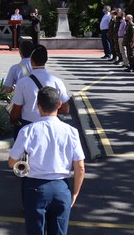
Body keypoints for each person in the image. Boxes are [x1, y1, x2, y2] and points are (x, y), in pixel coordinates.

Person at [8, 87, 85, 235]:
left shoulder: (28, 130)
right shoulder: (71, 131)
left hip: (35, 188)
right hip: (62, 188)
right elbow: (80, 167)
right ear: (59, 104)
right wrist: (74, 194)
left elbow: (12, 162)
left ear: (38, 105)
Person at [10, 45, 71, 130]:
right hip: (51, 125)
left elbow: (16, 110)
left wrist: (13, 121)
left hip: (28, 125)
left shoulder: (22, 82)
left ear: (31, 61)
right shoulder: (57, 82)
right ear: (46, 60)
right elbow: (65, 109)